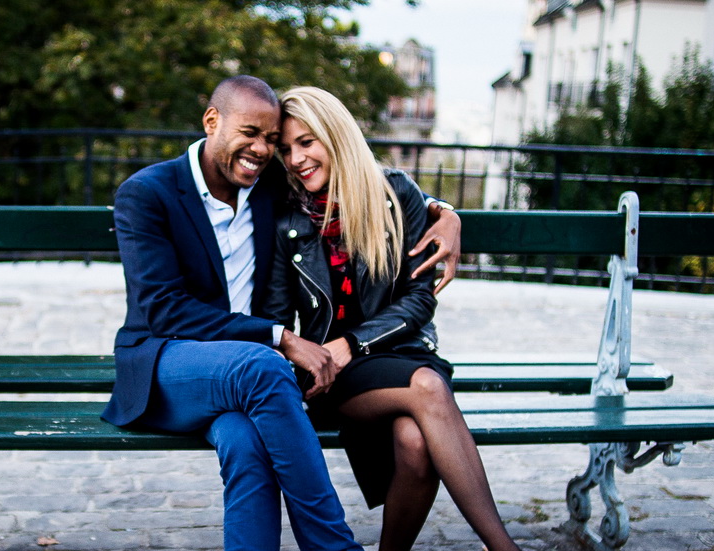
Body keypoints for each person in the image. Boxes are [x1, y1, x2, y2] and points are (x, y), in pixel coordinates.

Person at [103, 75, 462, 551]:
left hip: (245, 375)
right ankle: (334, 546)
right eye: (250, 133)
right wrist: (284, 337)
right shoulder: (148, 193)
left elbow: (356, 182)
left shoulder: (267, 184)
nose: (262, 149)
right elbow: (165, 311)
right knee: (265, 365)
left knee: (247, 445)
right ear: (212, 121)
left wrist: (445, 213)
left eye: (271, 139)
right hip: (169, 365)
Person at [263, 86, 523, 551]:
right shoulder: (287, 216)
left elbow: (419, 300)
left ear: (335, 135)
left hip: (401, 352)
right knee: (427, 387)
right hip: (334, 372)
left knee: (416, 444)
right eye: (285, 149)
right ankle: (504, 547)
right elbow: (278, 316)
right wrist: (311, 355)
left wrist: (355, 343)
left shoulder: (394, 193)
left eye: (307, 142)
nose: (296, 158)